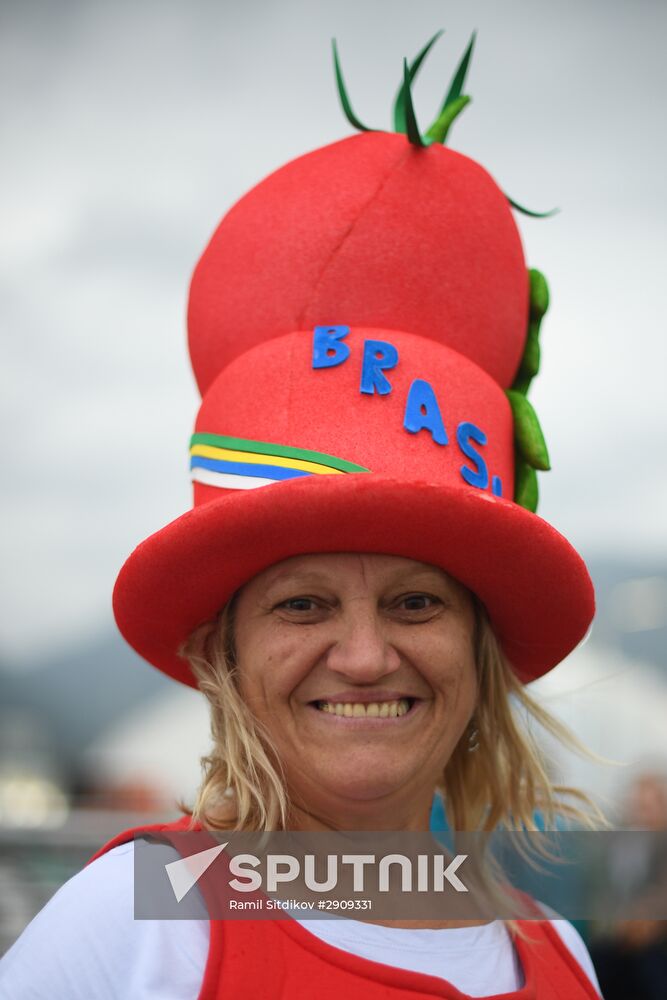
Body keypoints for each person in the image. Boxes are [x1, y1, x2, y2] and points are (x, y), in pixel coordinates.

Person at [1, 34, 604, 999]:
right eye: (301, 605)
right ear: (225, 652)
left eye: (415, 604)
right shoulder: (138, 925)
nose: (364, 657)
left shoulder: (559, 958)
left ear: (480, 647)